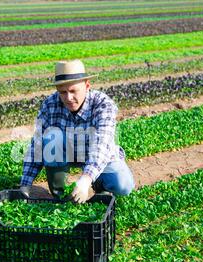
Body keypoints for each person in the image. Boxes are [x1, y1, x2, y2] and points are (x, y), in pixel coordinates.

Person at [19, 59, 135, 203]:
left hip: (97, 154)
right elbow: (36, 145)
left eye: (73, 91)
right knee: (50, 138)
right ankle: (60, 194)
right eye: (62, 92)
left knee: (123, 185)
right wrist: (25, 186)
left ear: (87, 86)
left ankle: (98, 184)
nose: (68, 98)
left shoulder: (103, 105)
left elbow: (101, 146)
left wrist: (85, 180)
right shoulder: (50, 104)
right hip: (66, 153)